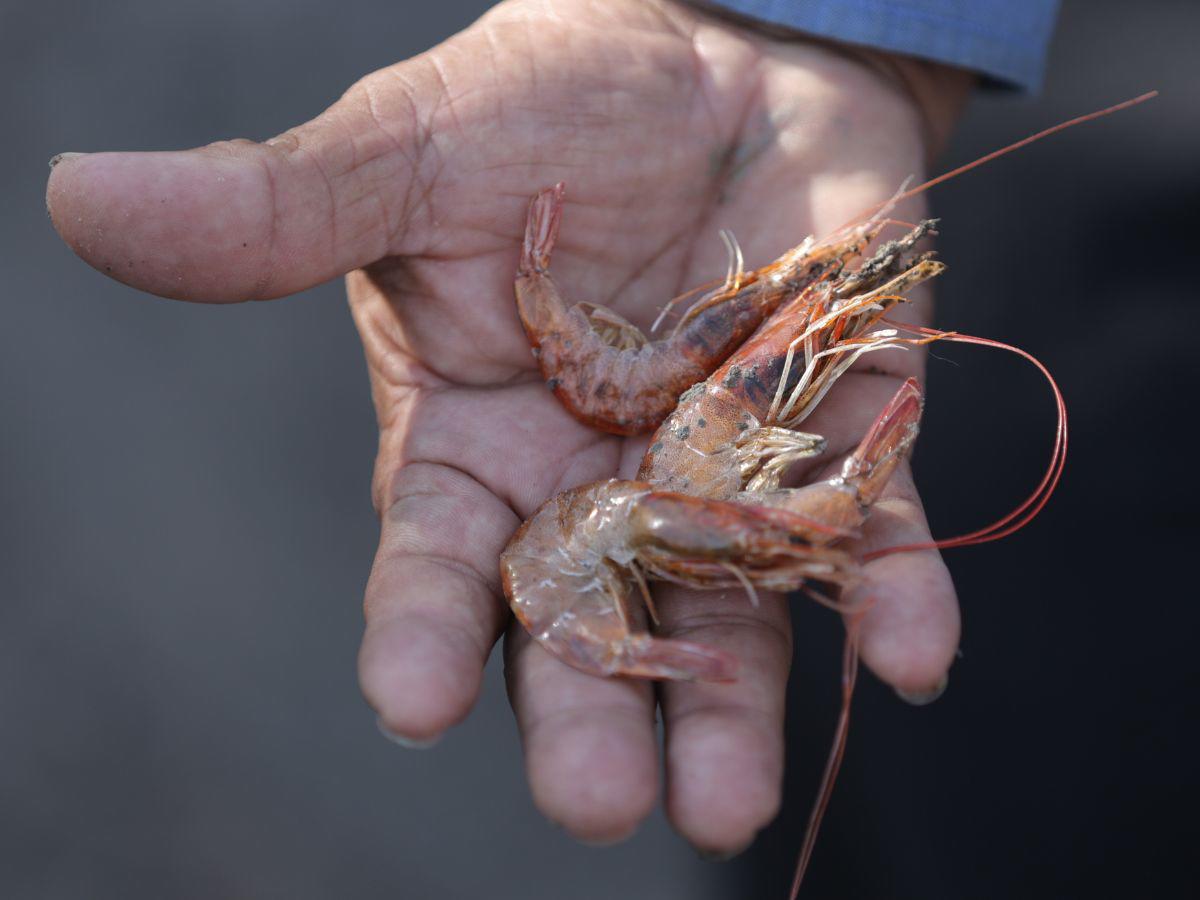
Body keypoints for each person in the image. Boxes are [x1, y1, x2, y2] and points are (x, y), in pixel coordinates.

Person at [45, 0, 1057, 859]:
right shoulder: (673, 420)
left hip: (647, 470)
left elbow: (707, 397)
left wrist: (862, 42)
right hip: (622, 501)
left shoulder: (687, 410)